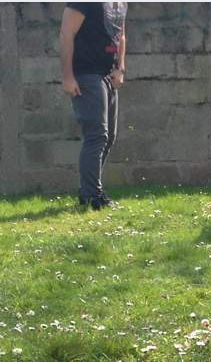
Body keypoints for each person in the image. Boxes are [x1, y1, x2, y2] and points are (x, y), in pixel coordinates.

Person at [59, 2, 127, 210]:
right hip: (87, 74)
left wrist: (120, 69)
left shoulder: (121, 3)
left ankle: (88, 191)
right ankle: (93, 196)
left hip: (109, 74)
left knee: (109, 137)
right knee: (97, 136)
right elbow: (66, 34)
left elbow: (121, 36)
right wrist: (68, 77)